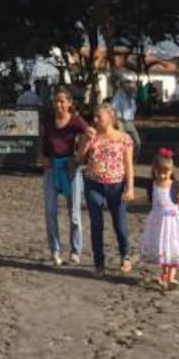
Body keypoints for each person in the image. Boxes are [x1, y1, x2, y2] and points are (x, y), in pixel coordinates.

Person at [77, 101, 136, 276]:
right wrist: (85, 141)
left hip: (116, 185)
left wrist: (130, 187)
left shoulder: (124, 139)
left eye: (99, 117)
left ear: (111, 118)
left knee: (120, 222)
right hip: (93, 183)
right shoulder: (91, 136)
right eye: (94, 116)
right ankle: (99, 262)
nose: (95, 120)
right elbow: (80, 158)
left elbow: (129, 165)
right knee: (96, 224)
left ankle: (125, 255)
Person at [41, 86, 89, 265]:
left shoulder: (76, 121)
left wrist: (79, 156)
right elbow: (43, 141)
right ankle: (55, 249)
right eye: (56, 101)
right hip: (52, 168)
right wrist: (44, 157)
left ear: (69, 103)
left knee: (74, 214)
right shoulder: (49, 121)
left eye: (62, 101)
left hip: (70, 168)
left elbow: (89, 133)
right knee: (50, 212)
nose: (59, 104)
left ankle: (75, 250)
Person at [140, 148, 179, 291]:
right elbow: (150, 200)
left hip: (173, 223)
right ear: (154, 171)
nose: (163, 175)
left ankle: (171, 276)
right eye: (159, 172)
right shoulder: (152, 185)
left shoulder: (175, 186)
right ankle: (164, 274)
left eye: (166, 172)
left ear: (172, 171)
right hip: (158, 223)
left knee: (173, 248)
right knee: (162, 248)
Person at [112, 79, 140, 158]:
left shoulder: (131, 97)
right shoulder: (118, 97)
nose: (132, 89)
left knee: (137, 142)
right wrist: (117, 123)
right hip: (121, 122)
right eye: (130, 87)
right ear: (124, 87)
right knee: (121, 143)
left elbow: (132, 110)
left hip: (130, 122)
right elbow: (113, 110)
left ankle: (131, 159)